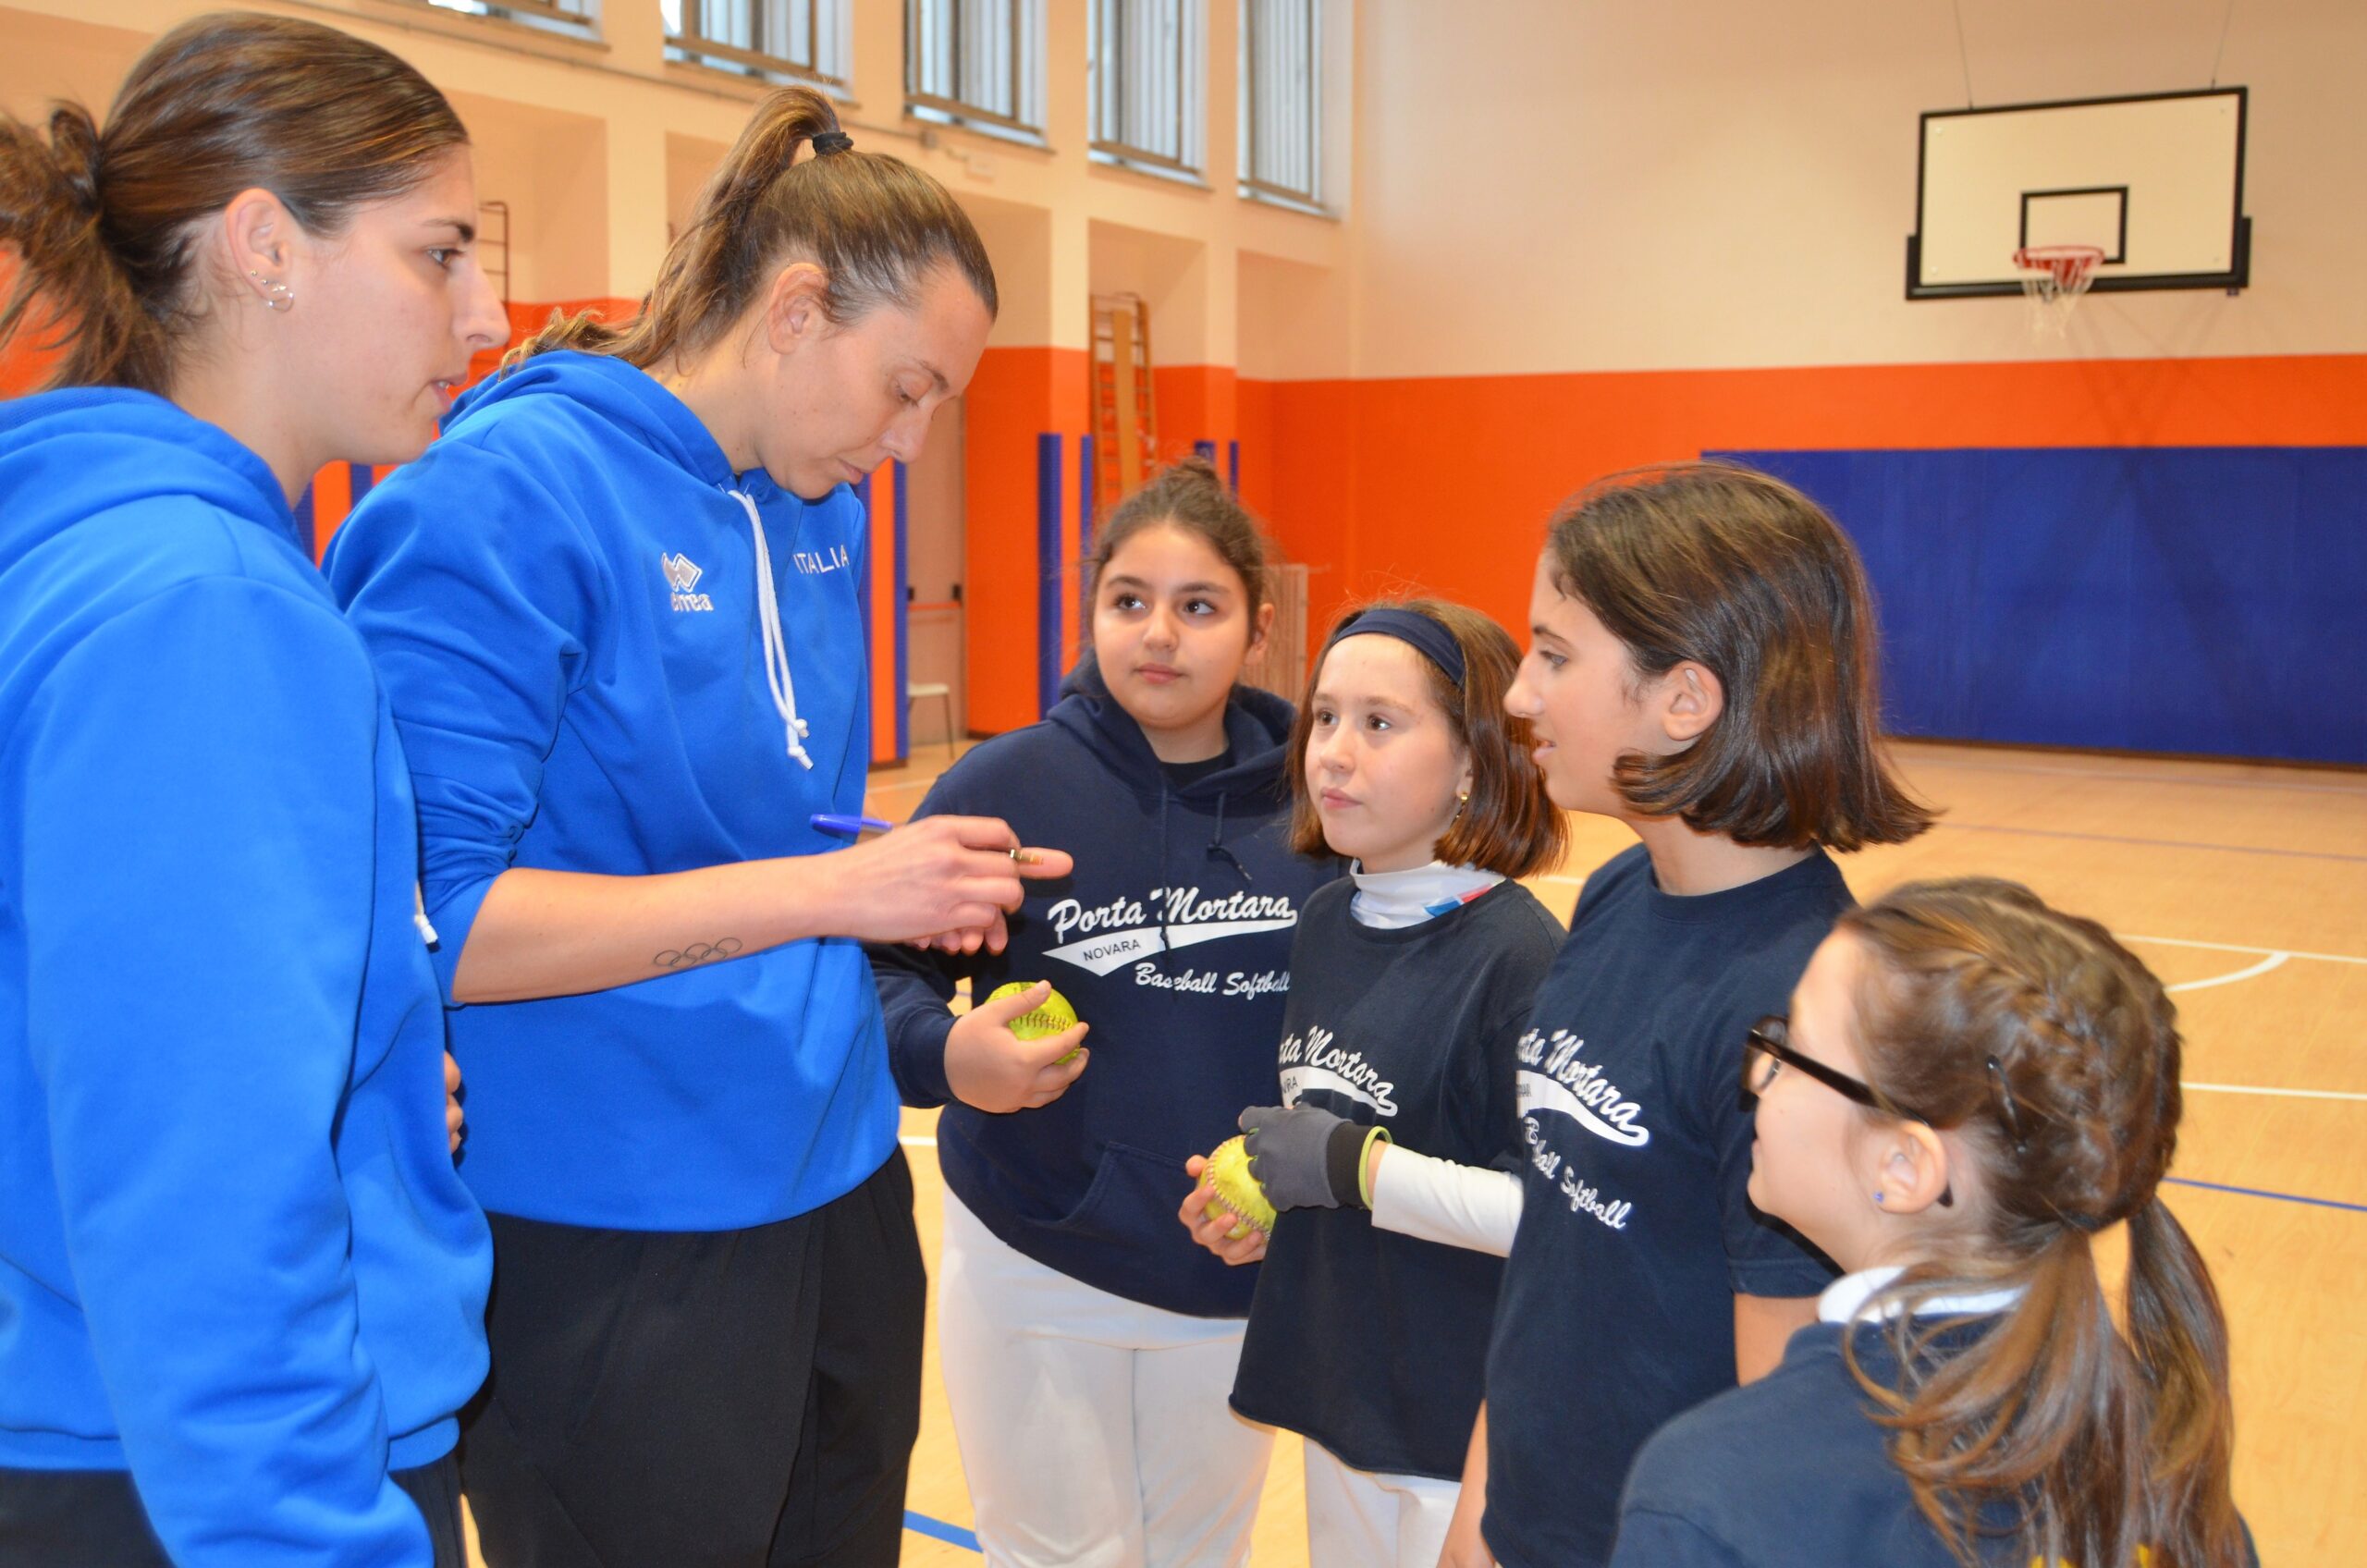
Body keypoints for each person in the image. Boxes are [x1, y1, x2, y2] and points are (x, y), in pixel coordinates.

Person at [325, 83, 1060, 1567]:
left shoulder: (813, 503)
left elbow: (751, 830)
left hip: (835, 1176)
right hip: (610, 1223)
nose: (911, 445)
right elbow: (440, 929)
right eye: (904, 387)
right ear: (794, 311)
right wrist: (830, 897)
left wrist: (892, 880)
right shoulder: (497, 502)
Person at [0, 14, 509, 1564]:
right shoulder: (200, 605)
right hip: (200, 1482)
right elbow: (203, 1201)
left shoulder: (73, 546)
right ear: (265, 245)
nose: (487, 314)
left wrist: (353, 1074)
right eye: (439, 255)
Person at [1442, 462, 1938, 1568]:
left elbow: (1780, 1437)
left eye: (1556, 655)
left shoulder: (1800, 1015)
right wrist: (1477, 1521)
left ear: (1684, 700)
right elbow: (1555, 1256)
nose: (1520, 693)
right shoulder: (1621, 893)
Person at [870, 457, 1340, 1568]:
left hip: (1228, 1259)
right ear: (1089, 611)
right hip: (1034, 1252)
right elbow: (879, 968)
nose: (1158, 635)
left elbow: (1368, 1028)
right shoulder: (1006, 786)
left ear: (1258, 626)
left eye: (1198, 607)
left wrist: (1298, 1179)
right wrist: (947, 1055)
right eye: (1128, 601)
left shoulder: (1318, 809)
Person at [1610, 877, 2253, 1568]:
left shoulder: (1720, 1494)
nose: (1763, 1069)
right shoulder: (2171, 1473)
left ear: (1903, 1166)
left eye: (1794, 1049)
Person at [1178, 600, 1566, 1568]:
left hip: (1462, 1424)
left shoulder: (1522, 955)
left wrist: (1349, 1168)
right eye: (1325, 717)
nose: (1332, 753)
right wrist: (1278, 1203)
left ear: (1473, 761)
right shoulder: (1324, 923)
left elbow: (1553, 1218)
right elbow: (1348, 1147)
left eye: (1380, 723)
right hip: (1343, 1388)